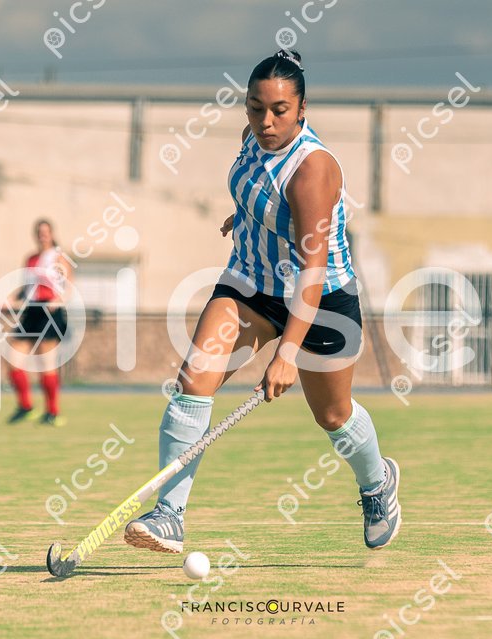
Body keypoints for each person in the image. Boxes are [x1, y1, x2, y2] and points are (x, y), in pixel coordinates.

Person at [124, 50, 400, 553]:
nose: (266, 121)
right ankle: (169, 515)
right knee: (193, 381)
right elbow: (259, 188)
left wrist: (287, 354)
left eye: (279, 110)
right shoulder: (253, 137)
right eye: (255, 108)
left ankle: (377, 482)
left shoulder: (312, 171)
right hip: (250, 284)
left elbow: (312, 269)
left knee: (333, 416)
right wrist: (246, 215)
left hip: (321, 299)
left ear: (302, 109)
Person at [6, 219, 71, 427]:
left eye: (46, 232)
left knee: (46, 364)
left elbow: (69, 285)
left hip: (50, 313)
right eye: (39, 232)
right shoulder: (31, 258)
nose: (43, 235)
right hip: (31, 311)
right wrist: (11, 299)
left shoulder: (58, 257)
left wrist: (58, 300)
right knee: (13, 359)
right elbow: (26, 288)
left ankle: (52, 412)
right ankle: (26, 407)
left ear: (51, 234)